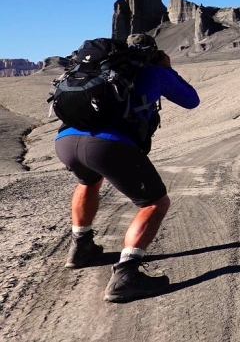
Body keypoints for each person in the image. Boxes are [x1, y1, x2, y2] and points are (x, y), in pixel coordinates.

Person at [54, 33, 200, 302]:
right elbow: (191, 100)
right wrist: (167, 70)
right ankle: (126, 274)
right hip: (107, 146)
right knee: (155, 203)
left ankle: (81, 247)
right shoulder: (153, 71)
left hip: (65, 140)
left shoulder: (99, 70)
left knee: (88, 181)